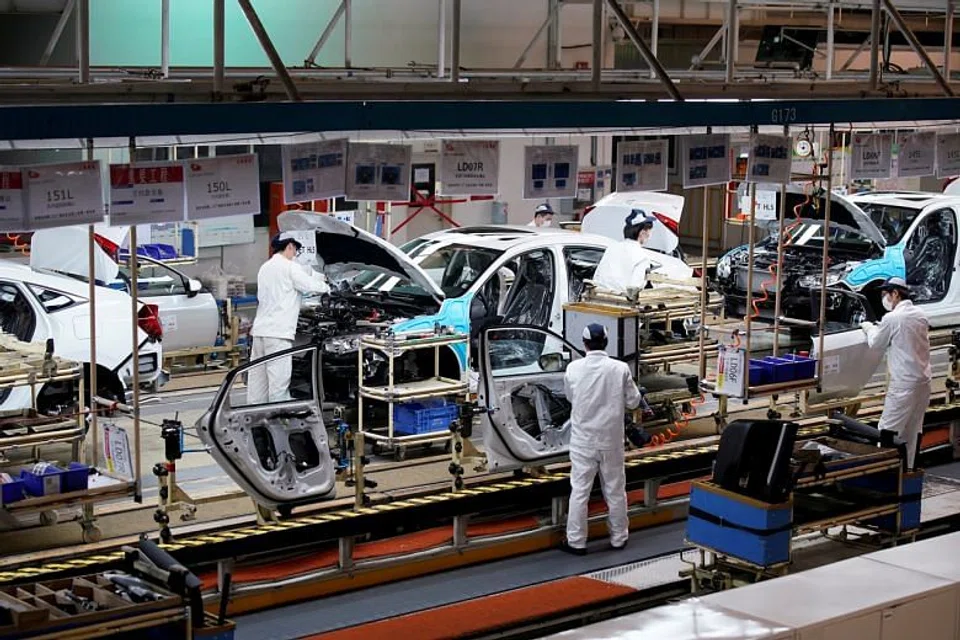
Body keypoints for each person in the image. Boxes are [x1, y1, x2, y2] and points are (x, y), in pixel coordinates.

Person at [561, 323, 643, 555]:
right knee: (615, 491)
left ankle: (576, 542)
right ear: (606, 342)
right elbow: (633, 402)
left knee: (580, 492)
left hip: (583, 442)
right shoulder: (620, 368)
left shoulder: (573, 369)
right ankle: (619, 538)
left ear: (584, 343)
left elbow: (570, 397)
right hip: (611, 441)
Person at [248, 231, 330, 404]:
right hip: (278, 334)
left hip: (260, 332)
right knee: (278, 384)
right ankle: (279, 417)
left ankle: (254, 417)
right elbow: (310, 286)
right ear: (290, 246)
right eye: (296, 251)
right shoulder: (290, 267)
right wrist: (328, 287)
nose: (295, 255)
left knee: (258, 385)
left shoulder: (265, 267)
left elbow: (279, 295)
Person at [860, 276, 932, 470]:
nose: (884, 298)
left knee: (888, 430)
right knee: (912, 431)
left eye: (886, 294)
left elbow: (876, 343)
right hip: (923, 382)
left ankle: (885, 473)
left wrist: (868, 327)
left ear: (896, 294)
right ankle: (907, 471)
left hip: (903, 385)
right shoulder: (920, 314)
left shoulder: (892, 318)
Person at [591, 209, 656, 294]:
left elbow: (597, 277)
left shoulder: (612, 248)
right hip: (621, 300)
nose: (650, 235)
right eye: (650, 231)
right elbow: (634, 288)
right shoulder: (642, 257)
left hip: (599, 295)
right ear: (643, 233)